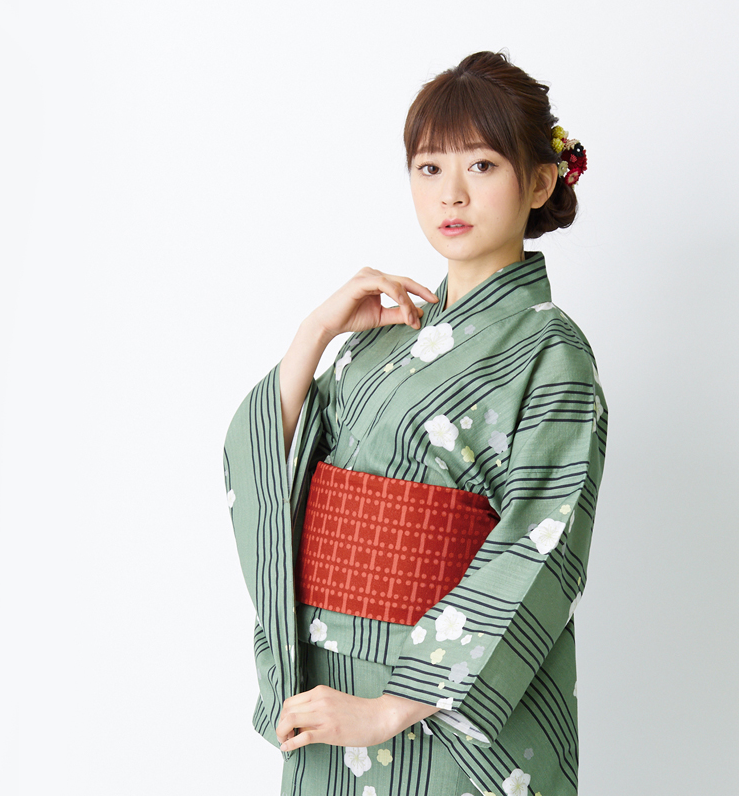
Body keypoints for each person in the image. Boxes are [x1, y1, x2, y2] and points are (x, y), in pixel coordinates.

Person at [224, 50, 605, 796]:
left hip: (441, 709)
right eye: (429, 168)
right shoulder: (378, 344)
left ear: (539, 181)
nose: (451, 193)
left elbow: (542, 542)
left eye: (482, 165)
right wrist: (315, 334)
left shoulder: (552, 351)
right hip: (331, 684)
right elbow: (271, 470)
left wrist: (391, 708)